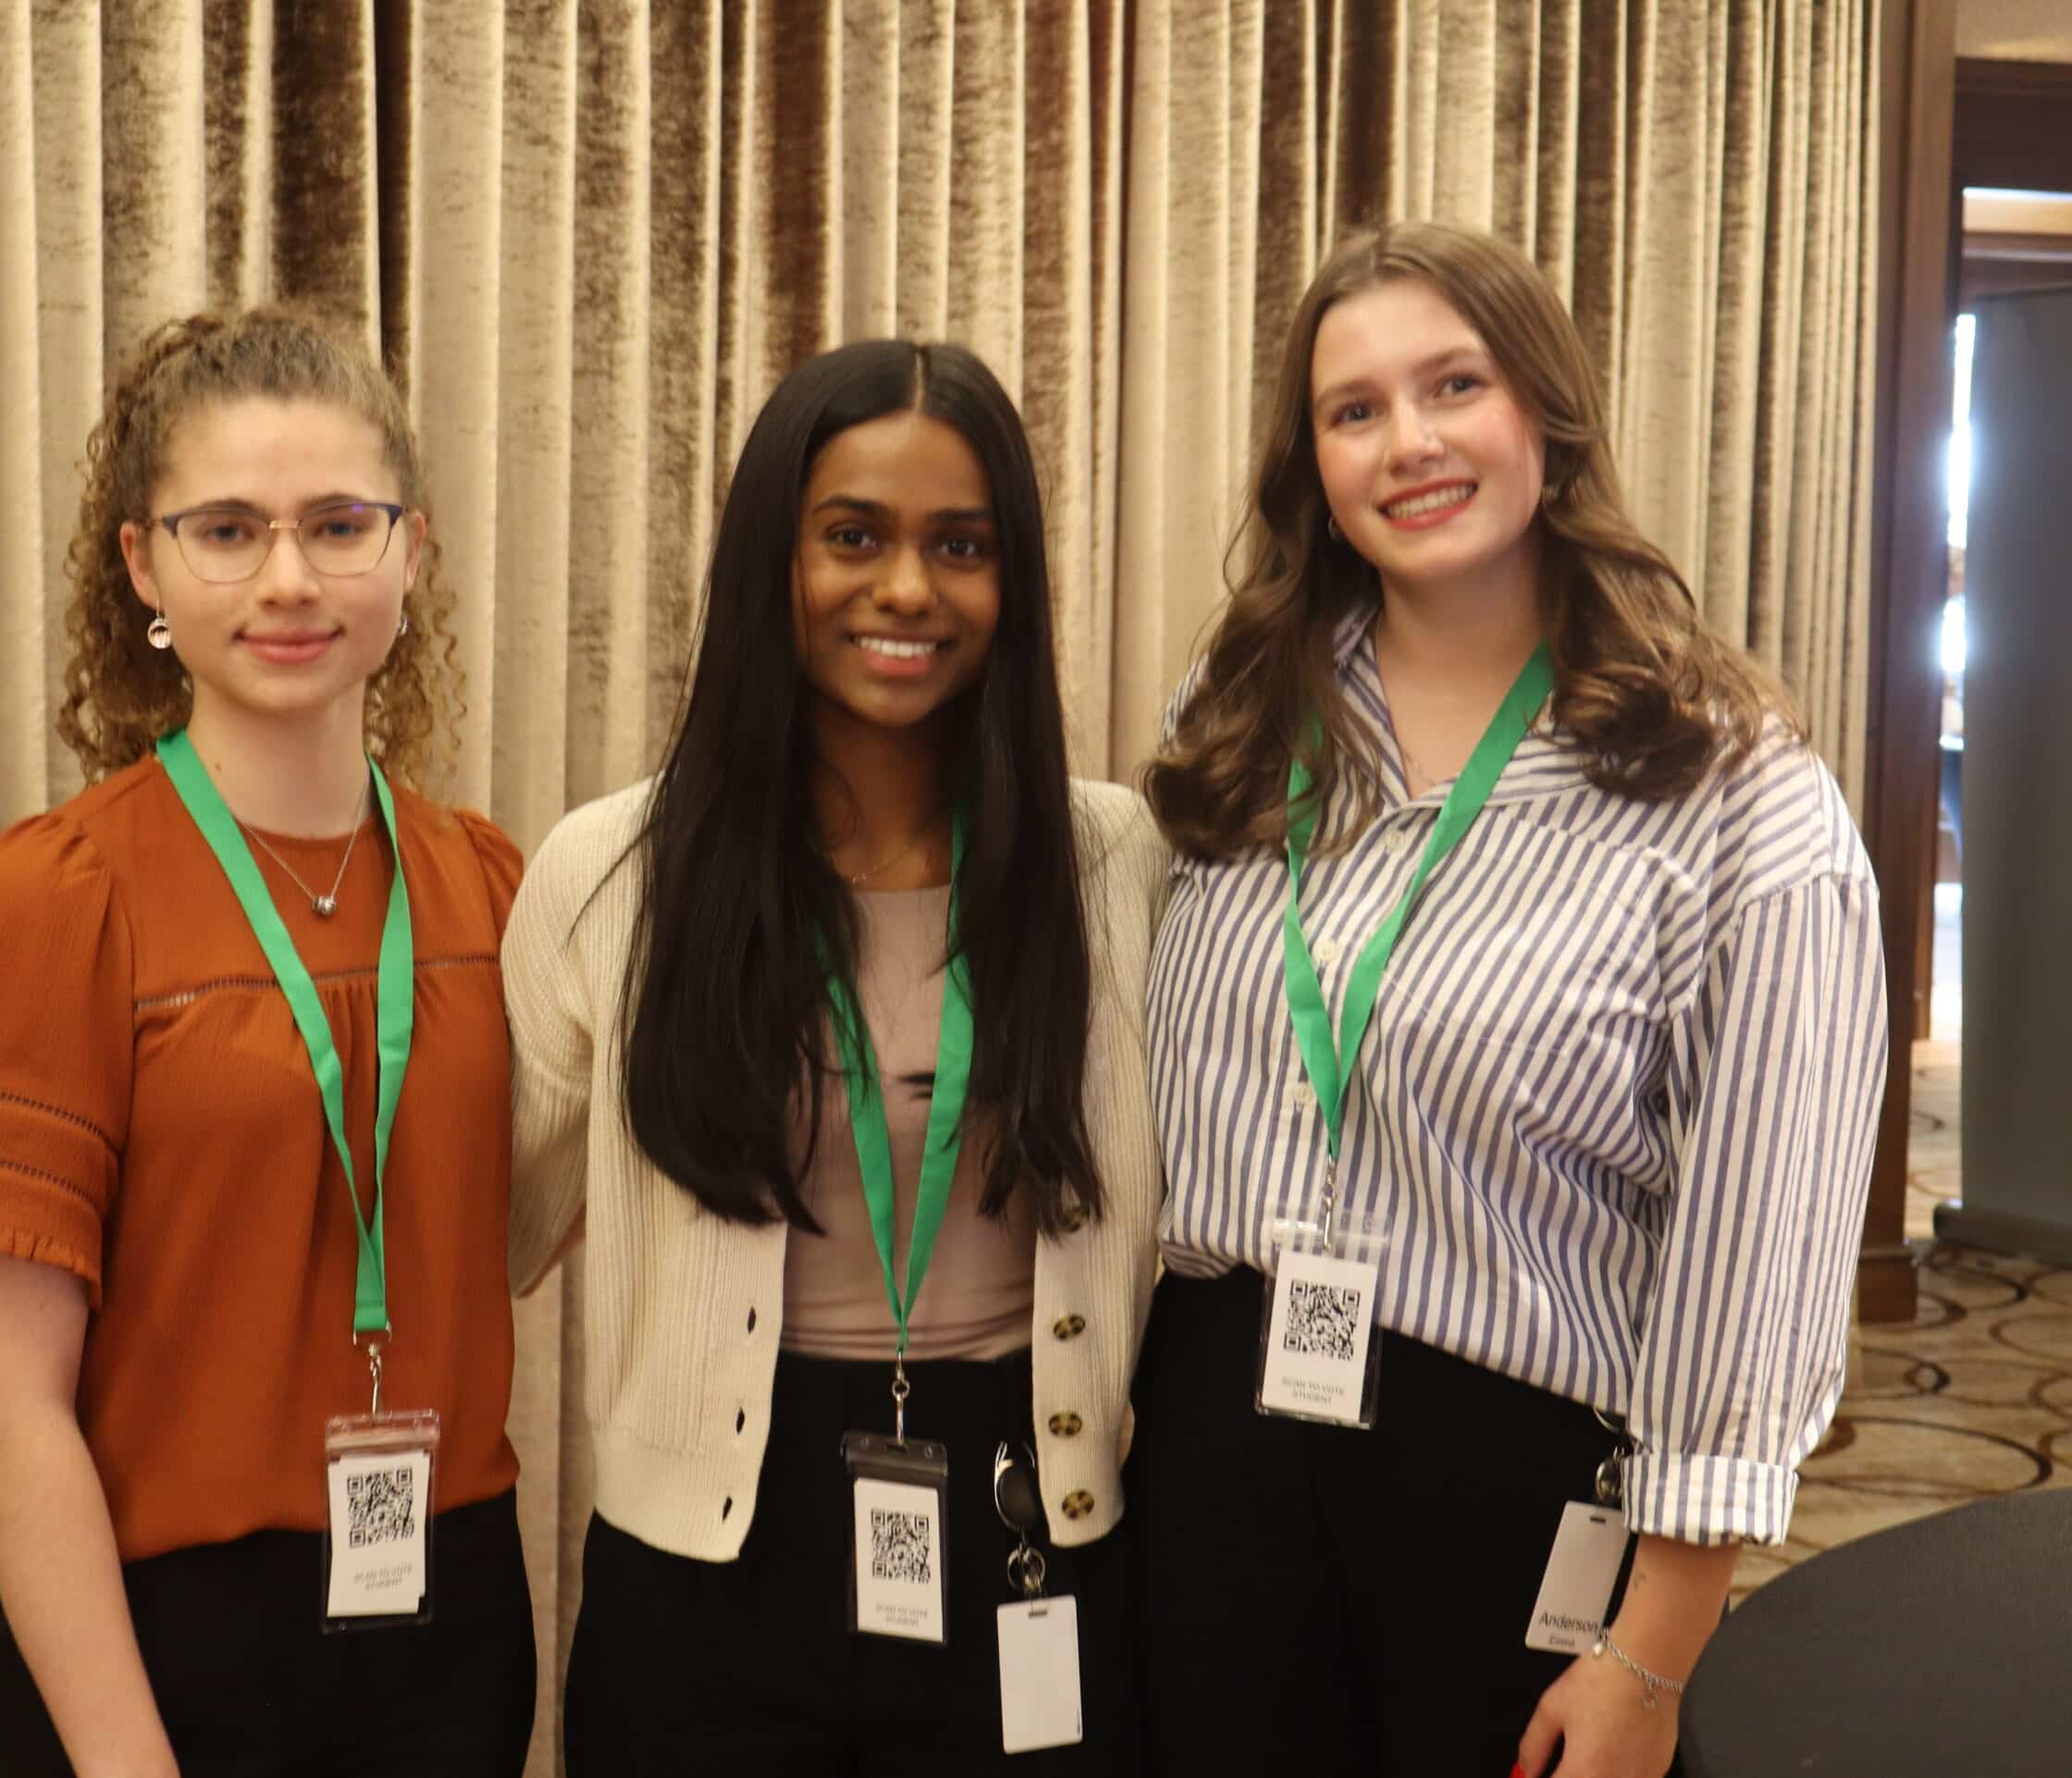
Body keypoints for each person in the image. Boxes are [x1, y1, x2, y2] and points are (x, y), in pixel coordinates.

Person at [1128, 221, 1887, 1778]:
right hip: (1211, 1471)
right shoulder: (1242, 727)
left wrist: (1648, 1655)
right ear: (1312, 461)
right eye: (1354, 409)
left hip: (1510, 1507)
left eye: (1451, 384)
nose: (1407, 441)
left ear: (1542, 410)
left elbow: (1759, 1256)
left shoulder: (1734, 794)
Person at [0, 309, 536, 1777]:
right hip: (153, 1651)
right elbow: (7, 1400)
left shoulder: (495, 886)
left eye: (340, 523)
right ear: (146, 566)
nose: (289, 576)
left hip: (451, 1615)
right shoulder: (58, 899)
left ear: (409, 552)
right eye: (228, 528)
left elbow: (510, 1233)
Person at [502, 340, 1167, 1774]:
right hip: (707, 1566)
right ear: (770, 562)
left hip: (1026, 1523)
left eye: (962, 545)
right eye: (852, 536)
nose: (909, 589)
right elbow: (499, 1222)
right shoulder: (611, 874)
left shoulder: (1120, 866)